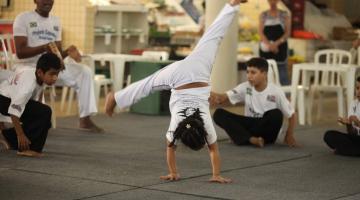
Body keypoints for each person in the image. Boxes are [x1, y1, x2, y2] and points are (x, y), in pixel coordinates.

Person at [105, 0, 249, 183]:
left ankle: (232, 5)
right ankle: (116, 97)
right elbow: (171, 148)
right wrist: (175, 172)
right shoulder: (176, 127)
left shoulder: (206, 127)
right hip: (179, 77)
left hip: (198, 71)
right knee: (148, 85)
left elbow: (212, 150)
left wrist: (216, 174)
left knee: (213, 37)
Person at [13, 0, 103, 132]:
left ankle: (85, 119)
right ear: (35, 0)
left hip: (51, 68)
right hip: (29, 66)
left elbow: (57, 55)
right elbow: (20, 52)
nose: (47, 1)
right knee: (32, 78)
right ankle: (31, 121)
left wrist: (68, 52)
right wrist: (44, 47)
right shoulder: (23, 18)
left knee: (84, 71)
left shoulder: (56, 21)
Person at [210, 57, 297, 148]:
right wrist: (212, 95)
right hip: (250, 127)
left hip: (266, 131)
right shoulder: (245, 87)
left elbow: (292, 115)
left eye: (253, 72)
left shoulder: (276, 91)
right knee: (218, 113)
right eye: (247, 72)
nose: (249, 76)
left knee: (276, 114)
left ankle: (241, 137)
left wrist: (289, 135)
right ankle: (251, 139)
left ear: (264, 74)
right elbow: (223, 97)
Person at [0, 53, 61, 157]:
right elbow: (14, 112)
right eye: (52, 74)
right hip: (4, 100)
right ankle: (27, 149)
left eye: (57, 74)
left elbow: (35, 106)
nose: (55, 78)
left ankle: (7, 137)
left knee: (45, 121)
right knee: (45, 112)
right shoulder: (28, 87)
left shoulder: (39, 77)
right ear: (40, 72)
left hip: (8, 97)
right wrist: (21, 135)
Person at [323, 76, 360, 157]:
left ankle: (345, 150)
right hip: (357, 139)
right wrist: (348, 124)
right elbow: (352, 133)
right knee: (329, 135)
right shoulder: (353, 104)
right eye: (357, 88)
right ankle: (351, 150)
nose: (358, 92)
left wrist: (358, 123)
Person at [258, 0, 291, 85]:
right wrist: (269, 45)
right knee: (265, 73)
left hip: (280, 48)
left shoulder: (284, 14)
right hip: (266, 49)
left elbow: (287, 33)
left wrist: (276, 44)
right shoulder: (263, 15)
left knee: (282, 74)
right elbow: (260, 32)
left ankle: (286, 96)